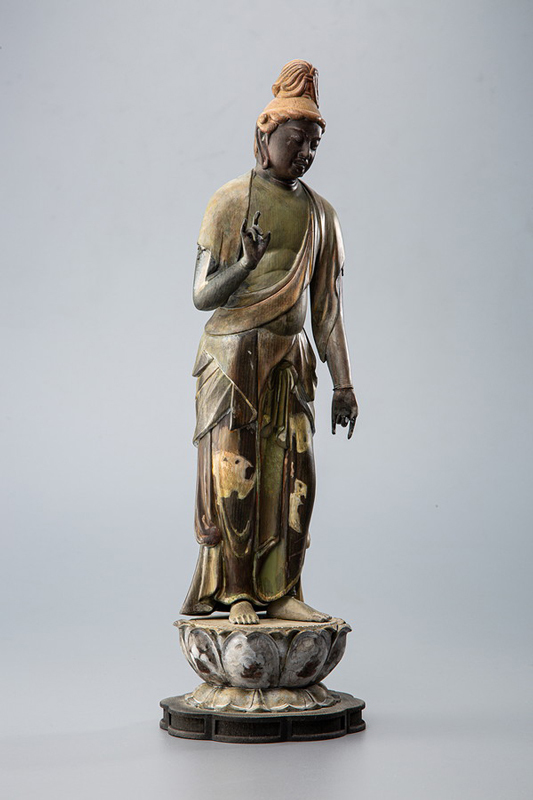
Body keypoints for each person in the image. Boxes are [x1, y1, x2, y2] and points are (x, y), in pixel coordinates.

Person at [181, 60, 358, 625]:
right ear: (265, 136)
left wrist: (344, 384)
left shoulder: (322, 216)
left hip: (291, 362)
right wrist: (245, 264)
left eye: (313, 144)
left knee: (294, 476)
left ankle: (282, 589)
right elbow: (201, 295)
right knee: (235, 473)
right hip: (233, 360)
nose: (304, 153)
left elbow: (327, 308)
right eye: (294, 140)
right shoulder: (231, 200)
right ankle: (235, 591)